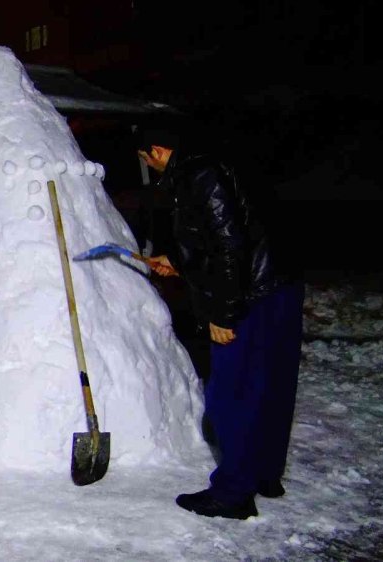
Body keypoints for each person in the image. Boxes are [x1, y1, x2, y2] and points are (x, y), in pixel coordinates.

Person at [136, 125, 305, 520]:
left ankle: (232, 493)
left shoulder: (197, 173)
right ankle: (264, 475)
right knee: (270, 385)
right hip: (280, 283)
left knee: (230, 395)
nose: (150, 168)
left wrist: (223, 313)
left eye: (146, 159)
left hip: (251, 292)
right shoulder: (224, 159)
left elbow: (230, 245)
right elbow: (233, 230)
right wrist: (179, 262)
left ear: (159, 150)